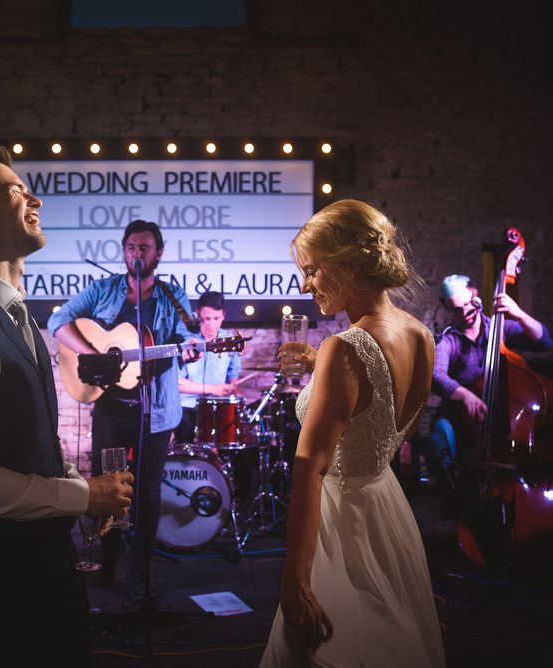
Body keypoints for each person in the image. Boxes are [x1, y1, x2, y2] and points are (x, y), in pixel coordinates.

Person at [0, 146, 133, 666]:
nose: (35, 198)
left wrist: (82, 487)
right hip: (4, 575)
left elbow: (27, 436)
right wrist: (79, 498)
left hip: (40, 563)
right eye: (15, 190)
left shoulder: (20, 317)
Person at [261, 199, 445, 667]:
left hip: (342, 524)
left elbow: (310, 465)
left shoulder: (344, 348)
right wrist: (318, 368)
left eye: (312, 270)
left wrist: (296, 581)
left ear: (346, 262)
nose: (306, 285)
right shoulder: (420, 334)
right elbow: (379, 421)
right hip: (386, 509)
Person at [48, 219, 197, 598]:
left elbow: (190, 337)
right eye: (131, 247)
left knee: (146, 493)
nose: (137, 254)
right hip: (110, 408)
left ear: (158, 254)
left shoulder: (172, 296)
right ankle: (106, 564)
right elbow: (57, 320)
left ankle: (142, 572)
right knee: (107, 488)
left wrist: (193, 347)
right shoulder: (104, 290)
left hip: (155, 410)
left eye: (145, 248)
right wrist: (95, 355)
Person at [428, 274, 552, 487]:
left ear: (476, 295)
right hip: (461, 413)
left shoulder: (499, 328)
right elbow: (437, 376)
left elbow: (544, 341)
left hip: (501, 412)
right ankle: (455, 495)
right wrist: (465, 395)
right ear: (448, 310)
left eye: (469, 304)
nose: (466, 312)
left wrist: (518, 314)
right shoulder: (449, 340)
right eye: (457, 309)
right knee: (439, 441)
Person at [174, 290, 242, 443]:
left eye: (216, 318)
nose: (211, 324)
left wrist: (232, 389)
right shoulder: (186, 340)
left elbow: (233, 377)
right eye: (206, 319)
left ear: (223, 315)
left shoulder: (231, 341)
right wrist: (212, 388)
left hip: (216, 407)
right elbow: (176, 382)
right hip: (187, 406)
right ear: (198, 314)